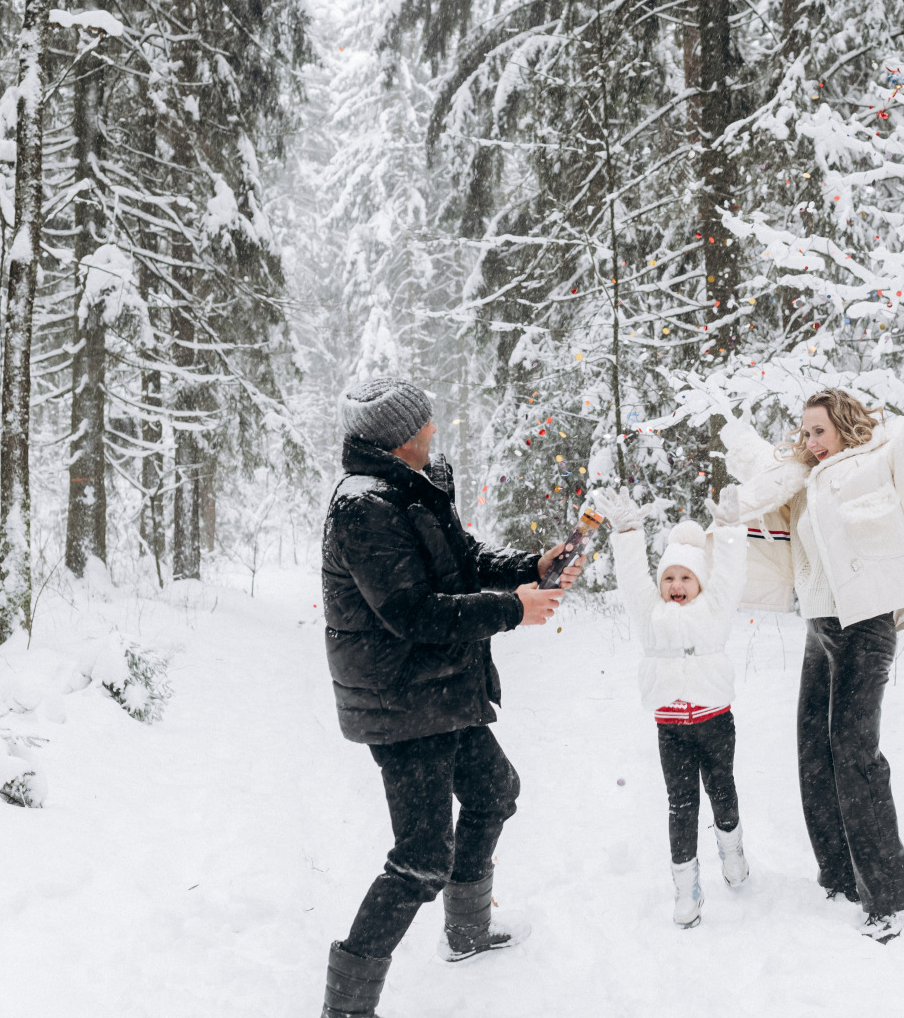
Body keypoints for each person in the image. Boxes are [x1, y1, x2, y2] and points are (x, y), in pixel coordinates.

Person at [320, 377, 583, 1018]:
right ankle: (345, 1009)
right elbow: (411, 612)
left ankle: (466, 933)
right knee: (420, 857)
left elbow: (461, 558)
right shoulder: (364, 506)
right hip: (402, 704)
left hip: (440, 691)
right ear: (402, 438)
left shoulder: (415, 485)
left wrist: (531, 567)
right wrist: (511, 610)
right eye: (425, 425)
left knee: (495, 791)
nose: (435, 431)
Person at [721, 327, 904, 943]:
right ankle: (840, 875)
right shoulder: (803, 481)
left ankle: (897, 898)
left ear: (844, 425)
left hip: (867, 626)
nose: (808, 441)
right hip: (821, 625)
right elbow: (761, 469)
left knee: (855, 755)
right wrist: (732, 427)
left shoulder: (880, 466)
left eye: (818, 430)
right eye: (803, 432)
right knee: (814, 752)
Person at [601, 490, 750, 929]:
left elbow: (731, 572)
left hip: (715, 721)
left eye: (686, 578)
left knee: (721, 791)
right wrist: (628, 532)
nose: (677, 586)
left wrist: (726, 531)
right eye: (669, 578)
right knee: (681, 805)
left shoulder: (715, 608)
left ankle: (732, 850)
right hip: (672, 730)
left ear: (700, 582)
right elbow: (631, 579)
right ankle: (686, 887)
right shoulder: (651, 616)